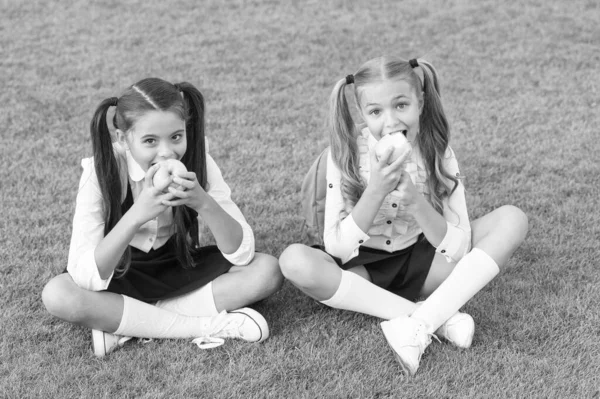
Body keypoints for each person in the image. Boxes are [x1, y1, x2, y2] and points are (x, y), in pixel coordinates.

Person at [279, 57, 528, 376]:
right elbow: (337, 249)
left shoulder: (439, 151)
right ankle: (433, 320)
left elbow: (459, 248)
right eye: (375, 112)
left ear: (420, 102)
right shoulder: (344, 155)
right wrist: (376, 190)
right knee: (294, 261)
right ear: (362, 114)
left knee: (512, 219)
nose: (391, 121)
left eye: (401, 105)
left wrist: (415, 201)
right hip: (361, 272)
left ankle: (420, 324)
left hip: (423, 264)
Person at [42, 78, 283, 357]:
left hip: (178, 265)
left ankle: (129, 324)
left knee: (267, 271)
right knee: (58, 294)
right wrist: (136, 215)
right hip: (121, 273)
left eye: (176, 137)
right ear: (123, 138)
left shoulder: (198, 161)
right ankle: (207, 326)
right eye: (149, 141)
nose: (166, 151)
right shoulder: (102, 170)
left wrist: (203, 203)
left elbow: (242, 253)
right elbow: (85, 277)